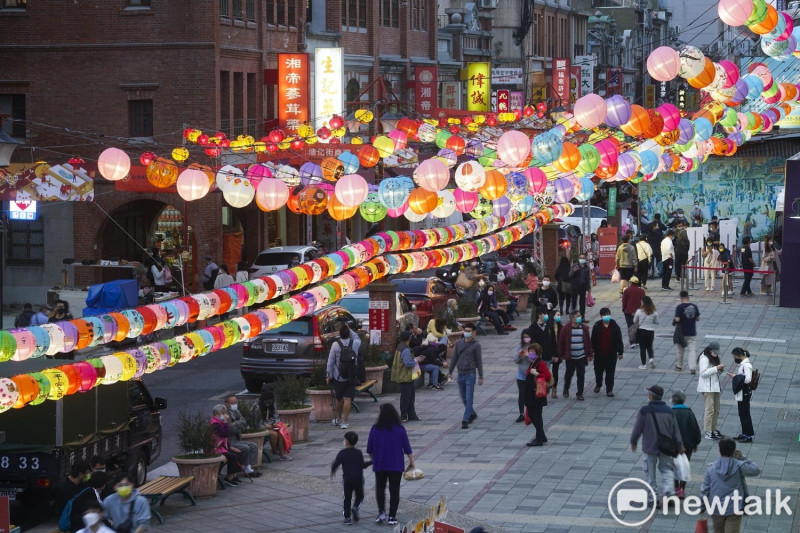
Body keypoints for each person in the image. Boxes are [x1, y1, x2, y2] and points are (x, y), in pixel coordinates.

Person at [630, 385, 685, 503]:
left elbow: (637, 429)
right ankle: (669, 493)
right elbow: (675, 430)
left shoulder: (644, 411)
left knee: (650, 474)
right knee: (667, 470)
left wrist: (633, 441)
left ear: (651, 396)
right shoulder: (669, 411)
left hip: (650, 447)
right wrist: (680, 445)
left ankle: (653, 498)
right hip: (666, 447)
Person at [366, 404, 415, 526]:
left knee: (380, 489)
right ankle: (392, 516)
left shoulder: (375, 428)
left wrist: (375, 459)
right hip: (396, 465)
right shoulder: (400, 428)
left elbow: (369, 449)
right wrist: (412, 462)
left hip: (380, 464)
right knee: (394, 491)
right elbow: (407, 448)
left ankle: (381, 512)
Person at [701, 439, 761, 533]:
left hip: (716, 507)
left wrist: (702, 506)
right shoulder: (739, 466)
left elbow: (705, 489)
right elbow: (756, 470)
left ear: (719, 450)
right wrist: (743, 458)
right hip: (734, 507)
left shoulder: (711, 468)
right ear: (733, 451)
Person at [447, 323, 484, 429]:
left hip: (470, 374)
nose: (467, 332)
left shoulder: (476, 345)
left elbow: (479, 361)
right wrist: (450, 372)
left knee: (469, 398)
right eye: (465, 330)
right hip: (460, 374)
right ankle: (472, 413)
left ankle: (465, 419)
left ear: (473, 332)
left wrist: (481, 376)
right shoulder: (459, 343)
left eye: (469, 331)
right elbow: (454, 358)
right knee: (463, 398)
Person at [326, 324, 362, 429]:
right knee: (348, 399)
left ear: (340, 334)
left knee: (339, 398)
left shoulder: (335, 345)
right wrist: (349, 329)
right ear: (349, 334)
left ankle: (338, 418)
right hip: (351, 375)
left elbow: (330, 361)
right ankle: (344, 422)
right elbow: (357, 337)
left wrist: (329, 375)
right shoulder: (354, 343)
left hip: (339, 376)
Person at [331, 431, 371, 525]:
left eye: (344, 439)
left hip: (347, 479)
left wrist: (333, 471)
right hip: (358, 479)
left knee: (347, 498)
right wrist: (371, 462)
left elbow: (336, 463)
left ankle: (347, 517)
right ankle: (356, 507)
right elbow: (363, 465)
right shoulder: (358, 452)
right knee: (360, 496)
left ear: (347, 441)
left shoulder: (342, 453)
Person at [671, 391, 702, 499]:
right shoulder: (689, 412)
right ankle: (682, 489)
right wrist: (696, 442)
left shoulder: (670, 412)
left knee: (673, 466)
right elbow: (695, 429)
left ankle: (675, 487)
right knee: (685, 466)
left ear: (673, 400)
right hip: (687, 445)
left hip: (672, 445)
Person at [223, 394, 262, 477]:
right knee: (246, 448)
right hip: (230, 441)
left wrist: (235, 423)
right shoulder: (225, 414)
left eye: (236, 402)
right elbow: (230, 429)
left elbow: (244, 422)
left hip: (237, 439)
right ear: (227, 404)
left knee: (253, 445)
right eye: (233, 403)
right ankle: (246, 468)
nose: (235, 404)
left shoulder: (236, 411)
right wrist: (238, 424)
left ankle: (249, 467)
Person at [557, 311, 593, 401]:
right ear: (572, 318)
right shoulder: (566, 329)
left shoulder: (584, 328)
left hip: (581, 357)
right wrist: (560, 354)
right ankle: (566, 388)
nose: (579, 317)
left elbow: (588, 342)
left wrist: (590, 353)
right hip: (571, 357)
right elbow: (561, 342)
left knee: (581, 375)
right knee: (569, 374)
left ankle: (579, 393)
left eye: (580, 315)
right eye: (577, 316)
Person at [210, 404, 247, 486]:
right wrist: (226, 423)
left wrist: (230, 447)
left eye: (225, 413)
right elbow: (225, 434)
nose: (225, 415)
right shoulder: (215, 424)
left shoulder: (220, 422)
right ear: (217, 414)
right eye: (223, 413)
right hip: (216, 449)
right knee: (232, 456)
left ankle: (234, 475)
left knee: (238, 452)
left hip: (222, 447)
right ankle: (229, 477)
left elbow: (224, 440)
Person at [523, 343, 552, 446]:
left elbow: (548, 376)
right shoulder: (532, 362)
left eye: (533, 352)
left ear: (538, 353)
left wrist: (537, 374)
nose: (531, 353)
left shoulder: (540, 363)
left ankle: (539, 438)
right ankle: (542, 436)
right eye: (530, 351)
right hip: (531, 394)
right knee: (534, 415)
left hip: (537, 394)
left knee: (535, 415)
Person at [590, 308, 624, 397]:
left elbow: (618, 339)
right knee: (598, 371)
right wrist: (591, 351)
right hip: (599, 353)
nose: (606, 316)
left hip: (611, 353)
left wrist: (620, 352)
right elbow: (593, 339)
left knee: (610, 372)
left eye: (608, 314)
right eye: (604, 315)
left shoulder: (614, 326)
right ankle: (598, 384)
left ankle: (609, 389)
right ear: (601, 316)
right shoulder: (597, 325)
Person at [391, 330, 424, 421]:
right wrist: (417, 360)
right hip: (405, 376)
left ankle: (412, 415)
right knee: (406, 397)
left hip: (404, 376)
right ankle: (404, 416)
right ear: (409, 338)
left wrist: (414, 358)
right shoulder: (405, 349)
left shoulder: (400, 347)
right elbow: (408, 363)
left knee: (410, 396)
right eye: (411, 336)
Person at [698, 343, 725, 440]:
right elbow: (703, 373)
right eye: (715, 352)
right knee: (709, 409)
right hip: (707, 388)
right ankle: (708, 431)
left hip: (714, 387)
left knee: (716, 409)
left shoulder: (713, 358)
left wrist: (719, 369)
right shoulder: (704, 359)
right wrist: (716, 368)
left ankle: (713, 429)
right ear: (710, 350)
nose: (717, 354)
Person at [728, 347, 754, 443]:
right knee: (742, 413)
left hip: (745, 392)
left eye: (734, 356)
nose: (734, 358)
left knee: (745, 414)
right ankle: (744, 433)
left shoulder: (746, 365)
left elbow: (748, 379)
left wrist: (736, 377)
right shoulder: (743, 364)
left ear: (739, 356)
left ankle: (748, 435)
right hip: (743, 392)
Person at [674, 290, 700, 373]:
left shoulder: (680, 307)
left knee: (680, 350)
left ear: (681, 298)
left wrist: (675, 320)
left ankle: (679, 366)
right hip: (692, 332)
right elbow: (698, 318)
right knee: (692, 350)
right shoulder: (694, 306)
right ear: (688, 297)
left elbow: (677, 319)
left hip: (682, 332)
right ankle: (692, 368)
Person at [633, 296, 659, 370]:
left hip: (641, 331)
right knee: (650, 346)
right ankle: (651, 359)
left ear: (643, 303)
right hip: (650, 331)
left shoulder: (639, 311)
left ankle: (643, 365)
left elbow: (634, 321)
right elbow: (657, 322)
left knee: (642, 348)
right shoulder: (654, 312)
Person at [514, 332, 534, 423]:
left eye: (528, 337)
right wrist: (520, 355)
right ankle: (521, 413)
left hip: (530, 374)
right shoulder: (519, 347)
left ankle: (530, 412)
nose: (526, 339)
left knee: (530, 394)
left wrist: (528, 356)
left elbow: (535, 360)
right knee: (521, 393)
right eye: (524, 337)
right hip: (521, 374)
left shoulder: (534, 347)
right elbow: (516, 360)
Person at [569, 253, 592, 318]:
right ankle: (573, 316)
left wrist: (589, 287)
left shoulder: (586, 267)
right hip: (575, 286)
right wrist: (573, 271)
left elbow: (588, 278)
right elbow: (570, 275)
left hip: (583, 286)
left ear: (585, 259)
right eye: (580, 258)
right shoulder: (575, 266)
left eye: (583, 258)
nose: (582, 259)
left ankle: (582, 316)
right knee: (574, 302)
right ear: (578, 259)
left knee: (582, 303)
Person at [549, 311, 564, 399]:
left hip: (557, 352)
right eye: (557, 315)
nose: (559, 317)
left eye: (560, 315)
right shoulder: (548, 327)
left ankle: (554, 389)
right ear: (553, 316)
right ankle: (546, 388)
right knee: (545, 371)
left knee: (555, 372)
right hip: (548, 352)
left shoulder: (560, 327)